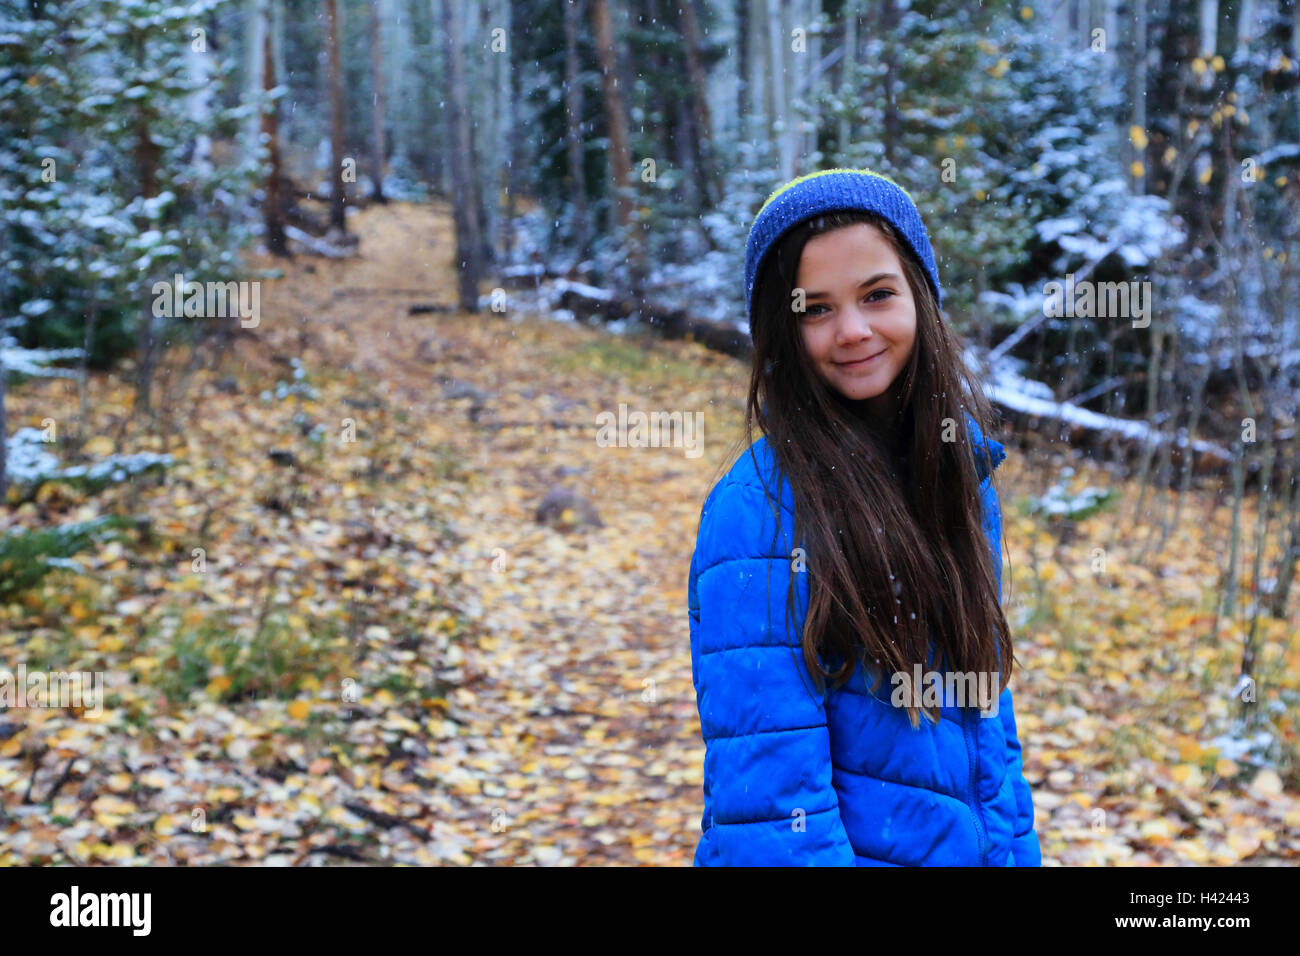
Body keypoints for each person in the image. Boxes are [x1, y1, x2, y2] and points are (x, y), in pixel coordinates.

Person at [687, 167, 1042, 866]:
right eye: (814, 308)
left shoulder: (958, 472)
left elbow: (987, 729)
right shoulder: (757, 511)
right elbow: (770, 809)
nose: (852, 331)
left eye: (876, 295)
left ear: (921, 297)